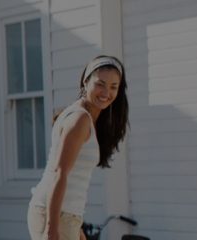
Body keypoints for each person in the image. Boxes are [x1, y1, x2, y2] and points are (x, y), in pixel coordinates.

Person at [28, 55, 129, 240]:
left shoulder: (85, 117)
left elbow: (74, 179)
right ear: (85, 81)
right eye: (100, 84)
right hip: (56, 216)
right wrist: (52, 229)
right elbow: (60, 173)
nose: (106, 92)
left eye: (114, 87)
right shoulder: (80, 119)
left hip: (65, 214)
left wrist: (77, 227)